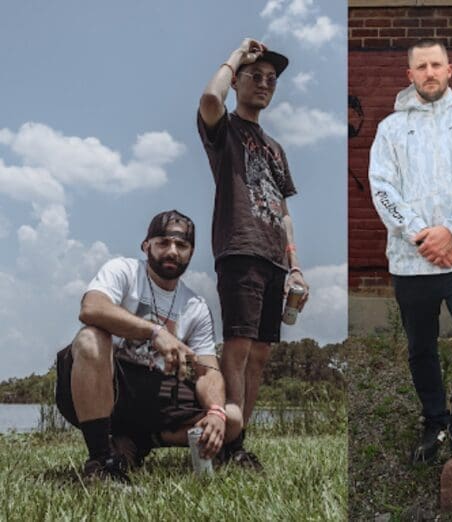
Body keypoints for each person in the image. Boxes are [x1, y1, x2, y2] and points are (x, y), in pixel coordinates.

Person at [368, 40, 452, 467]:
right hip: (413, 261)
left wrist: (451, 232)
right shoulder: (391, 128)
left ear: (450, 71)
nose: (429, 72)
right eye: (420, 66)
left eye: (436, 65)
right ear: (409, 75)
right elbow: (382, 189)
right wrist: (420, 236)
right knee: (421, 347)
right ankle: (435, 422)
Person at [55, 210, 240, 483]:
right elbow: (91, 307)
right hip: (110, 384)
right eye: (163, 242)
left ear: (191, 252)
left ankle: (138, 441)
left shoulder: (196, 306)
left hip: (154, 395)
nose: (172, 251)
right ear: (147, 245)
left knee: (232, 417)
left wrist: (214, 411)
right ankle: (102, 462)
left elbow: (208, 371)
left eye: (181, 245)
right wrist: (155, 332)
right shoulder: (124, 270)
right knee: (90, 338)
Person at [197, 38, 309, 469]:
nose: (264, 84)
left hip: (274, 258)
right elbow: (210, 97)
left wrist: (295, 265)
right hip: (239, 248)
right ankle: (227, 445)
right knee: (238, 347)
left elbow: (282, 210)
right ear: (239, 80)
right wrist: (237, 54)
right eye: (255, 76)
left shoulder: (275, 148)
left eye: (271, 80)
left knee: (260, 354)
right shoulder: (223, 130)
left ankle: (240, 439)